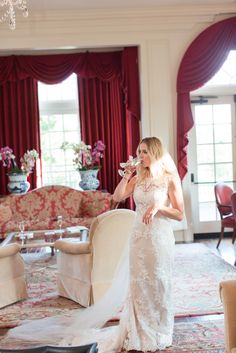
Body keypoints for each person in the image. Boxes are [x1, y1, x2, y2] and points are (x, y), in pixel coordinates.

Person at [5, 137, 184, 352]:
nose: (140, 156)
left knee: (159, 282)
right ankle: (140, 332)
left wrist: (158, 208)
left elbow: (179, 214)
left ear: (155, 152)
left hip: (159, 237)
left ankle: (160, 330)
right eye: (139, 152)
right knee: (139, 284)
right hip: (139, 237)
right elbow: (117, 196)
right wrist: (127, 175)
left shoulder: (169, 179)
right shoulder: (138, 178)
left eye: (144, 152)